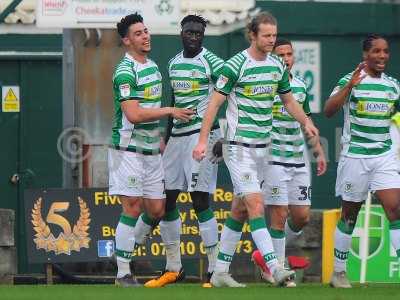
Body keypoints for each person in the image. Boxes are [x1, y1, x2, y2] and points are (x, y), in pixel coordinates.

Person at [192, 11, 320, 287]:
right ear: (252, 35)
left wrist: (306, 122)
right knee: (256, 204)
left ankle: (220, 272)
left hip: (265, 149)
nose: (272, 40)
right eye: (267, 35)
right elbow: (214, 105)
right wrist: (203, 140)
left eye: (274, 35)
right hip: (239, 148)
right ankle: (275, 267)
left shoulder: (276, 65)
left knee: (239, 210)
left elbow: (288, 101)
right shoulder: (235, 65)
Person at [108, 13, 194, 287]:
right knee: (132, 208)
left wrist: (160, 139)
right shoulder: (125, 71)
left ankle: (126, 248)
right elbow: (133, 114)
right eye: (138, 33)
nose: (145, 36)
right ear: (126, 40)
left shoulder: (155, 67)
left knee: (157, 209)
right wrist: (170, 110)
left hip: (151, 151)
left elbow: (152, 112)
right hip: (128, 150)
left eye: (146, 31)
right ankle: (123, 272)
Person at [144, 14, 224, 288]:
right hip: (176, 140)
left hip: (202, 138)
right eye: (189, 32)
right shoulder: (173, 63)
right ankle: (174, 268)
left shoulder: (213, 62)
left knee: (200, 199)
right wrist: (166, 139)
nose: (193, 37)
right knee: (166, 199)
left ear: (203, 35)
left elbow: (229, 94)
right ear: (181, 33)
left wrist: (222, 134)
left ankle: (214, 271)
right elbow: (174, 102)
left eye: (198, 33)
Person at [324, 34, 400, 288]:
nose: (382, 56)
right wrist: (349, 88)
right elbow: (328, 110)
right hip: (355, 156)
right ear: (365, 54)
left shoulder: (392, 86)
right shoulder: (351, 80)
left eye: (385, 51)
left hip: (384, 155)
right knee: (349, 215)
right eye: (376, 51)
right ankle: (339, 272)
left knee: (395, 209)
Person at [251, 38, 327, 287]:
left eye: (289, 54)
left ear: (294, 57)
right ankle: (278, 270)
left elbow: (307, 123)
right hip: (272, 159)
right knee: (279, 214)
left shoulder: (301, 87)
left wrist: (319, 152)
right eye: (280, 54)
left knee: (301, 217)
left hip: (298, 159)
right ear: (273, 56)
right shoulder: (265, 83)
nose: (285, 58)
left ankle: (266, 255)